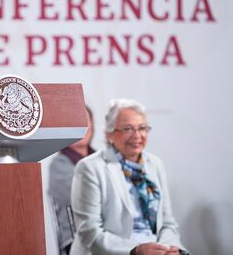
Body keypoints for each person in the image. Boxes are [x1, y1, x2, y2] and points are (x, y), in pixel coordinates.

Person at [70, 99, 189, 255]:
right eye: (128, 129)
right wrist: (135, 251)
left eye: (142, 128)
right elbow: (90, 233)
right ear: (109, 133)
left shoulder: (155, 164)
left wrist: (171, 249)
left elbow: (167, 222)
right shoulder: (90, 168)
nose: (137, 135)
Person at [48, 106, 96, 255]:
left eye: (86, 121)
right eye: (76, 121)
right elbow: (80, 197)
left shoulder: (102, 159)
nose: (83, 126)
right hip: (77, 241)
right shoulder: (59, 164)